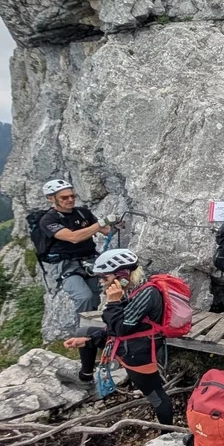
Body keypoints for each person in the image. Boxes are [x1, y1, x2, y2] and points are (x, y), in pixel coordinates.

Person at [62, 248, 173, 426]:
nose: (100, 281)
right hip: (129, 341)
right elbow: (114, 328)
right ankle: (85, 378)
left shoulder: (146, 294)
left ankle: (167, 434)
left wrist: (113, 302)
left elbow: (120, 329)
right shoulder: (130, 288)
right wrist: (89, 341)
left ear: (122, 275)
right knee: (83, 332)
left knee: (155, 395)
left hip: (138, 351)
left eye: (104, 277)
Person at [38, 179, 118, 330]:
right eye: (64, 197)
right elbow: (73, 237)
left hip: (90, 260)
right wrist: (99, 224)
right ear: (51, 198)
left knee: (95, 298)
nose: (70, 200)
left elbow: (106, 231)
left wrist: (116, 225)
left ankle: (95, 333)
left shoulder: (82, 213)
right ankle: (83, 334)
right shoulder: (48, 220)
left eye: (72, 196)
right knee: (83, 296)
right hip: (66, 266)